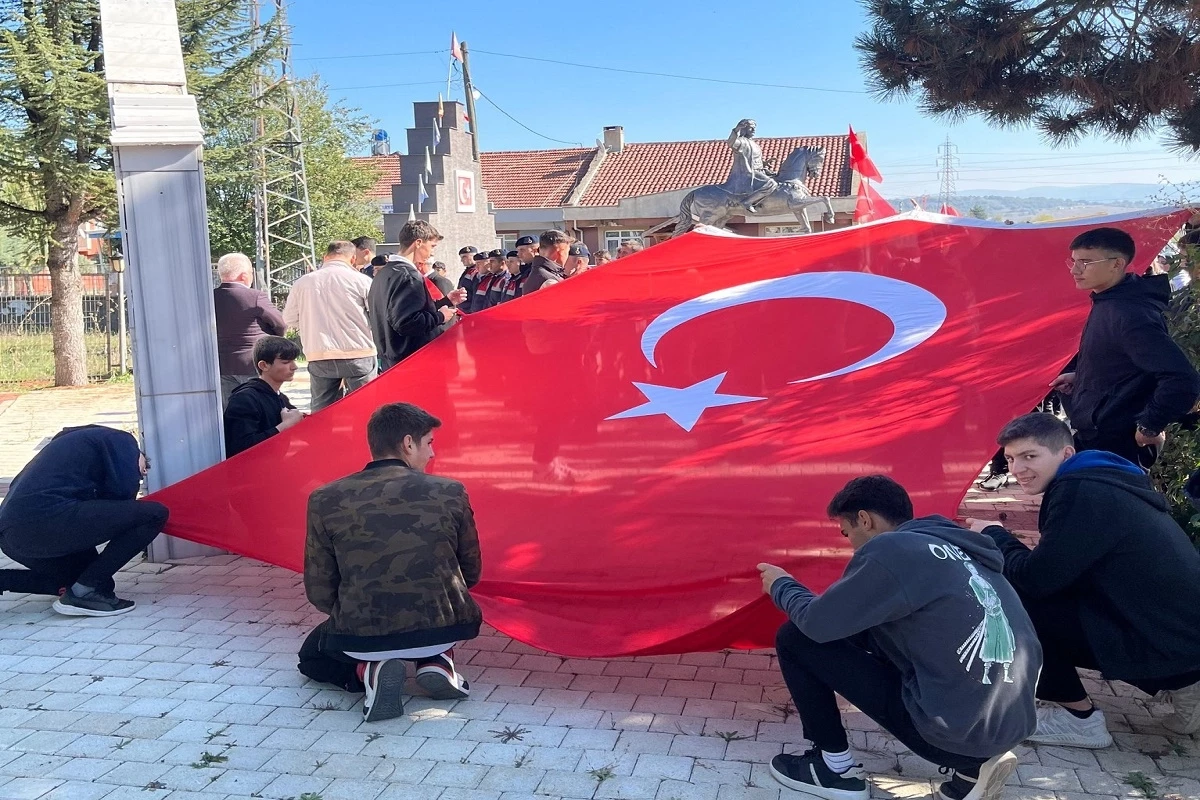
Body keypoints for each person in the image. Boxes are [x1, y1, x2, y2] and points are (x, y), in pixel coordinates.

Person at [757, 475, 1038, 800]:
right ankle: (973, 770)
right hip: (1006, 725)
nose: (850, 545)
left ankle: (833, 769)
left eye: (847, 533)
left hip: (953, 737)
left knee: (797, 637)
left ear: (865, 519)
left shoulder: (892, 549)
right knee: (867, 628)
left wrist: (782, 585)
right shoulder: (960, 548)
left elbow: (817, 623)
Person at [969, 413, 1200, 746]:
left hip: (1167, 641)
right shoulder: (1102, 477)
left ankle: (1079, 719)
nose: (1017, 468)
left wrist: (995, 534)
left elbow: (1035, 580)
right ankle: (1184, 684)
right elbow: (1061, 571)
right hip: (1178, 636)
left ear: (1066, 454)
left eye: (1030, 456)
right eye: (1011, 458)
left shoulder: (1081, 491)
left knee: (1008, 594)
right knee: (1044, 591)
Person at [297, 402, 482, 722]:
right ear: (408, 443)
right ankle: (438, 661)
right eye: (429, 443)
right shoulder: (450, 491)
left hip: (361, 634)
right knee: (427, 624)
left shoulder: (325, 498)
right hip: (444, 628)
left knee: (311, 657)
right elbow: (472, 571)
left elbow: (319, 590)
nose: (432, 454)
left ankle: (367, 670)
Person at [1050, 227, 1200, 468]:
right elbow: (1127, 365)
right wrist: (1083, 377)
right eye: (1074, 261)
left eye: (1086, 262)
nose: (1075, 270)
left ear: (1117, 264)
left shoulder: (1130, 313)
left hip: (1118, 442)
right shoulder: (1108, 299)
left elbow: (1182, 379)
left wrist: (1149, 425)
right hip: (1097, 432)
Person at [0, 425, 166, 616]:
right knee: (154, 514)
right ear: (141, 457)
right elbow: (122, 494)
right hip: (44, 520)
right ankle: (85, 593)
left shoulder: (74, 450)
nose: (141, 476)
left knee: (95, 582)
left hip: (11, 537)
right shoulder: (123, 440)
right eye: (143, 471)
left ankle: (5, 580)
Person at [283, 241, 377, 413]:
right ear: (353, 259)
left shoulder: (303, 282)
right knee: (366, 409)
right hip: (359, 352)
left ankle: (323, 431)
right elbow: (376, 315)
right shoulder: (362, 281)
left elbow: (289, 318)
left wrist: (310, 325)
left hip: (319, 353)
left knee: (322, 411)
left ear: (325, 257)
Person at [368, 220, 464, 371]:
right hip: (412, 362)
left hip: (392, 360)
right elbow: (407, 322)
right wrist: (440, 316)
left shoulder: (384, 273)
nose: (432, 253)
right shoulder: (408, 276)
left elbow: (399, 312)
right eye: (432, 246)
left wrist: (445, 301)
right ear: (418, 243)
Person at [212, 252, 287, 407]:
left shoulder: (210, 297)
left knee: (231, 410)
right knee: (261, 407)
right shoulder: (255, 296)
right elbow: (280, 324)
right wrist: (272, 343)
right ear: (244, 275)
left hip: (222, 365)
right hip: (253, 363)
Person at [223, 335, 306, 457]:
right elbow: (241, 447)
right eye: (286, 362)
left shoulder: (281, 398)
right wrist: (285, 426)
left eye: (293, 360)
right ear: (264, 365)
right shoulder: (244, 399)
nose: (294, 367)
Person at [726, 118, 778, 213]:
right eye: (750, 128)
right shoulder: (741, 142)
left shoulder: (754, 144)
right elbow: (731, 143)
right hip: (748, 173)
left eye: (754, 128)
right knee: (771, 184)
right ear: (744, 129)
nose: (753, 130)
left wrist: (764, 164)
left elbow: (754, 160)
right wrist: (736, 129)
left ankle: (760, 201)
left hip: (760, 171)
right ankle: (747, 202)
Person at [457, 246, 481, 313]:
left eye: (464, 257)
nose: (461, 260)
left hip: (470, 310)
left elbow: (476, 295)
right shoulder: (468, 271)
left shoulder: (477, 272)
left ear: (474, 256)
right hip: (464, 309)